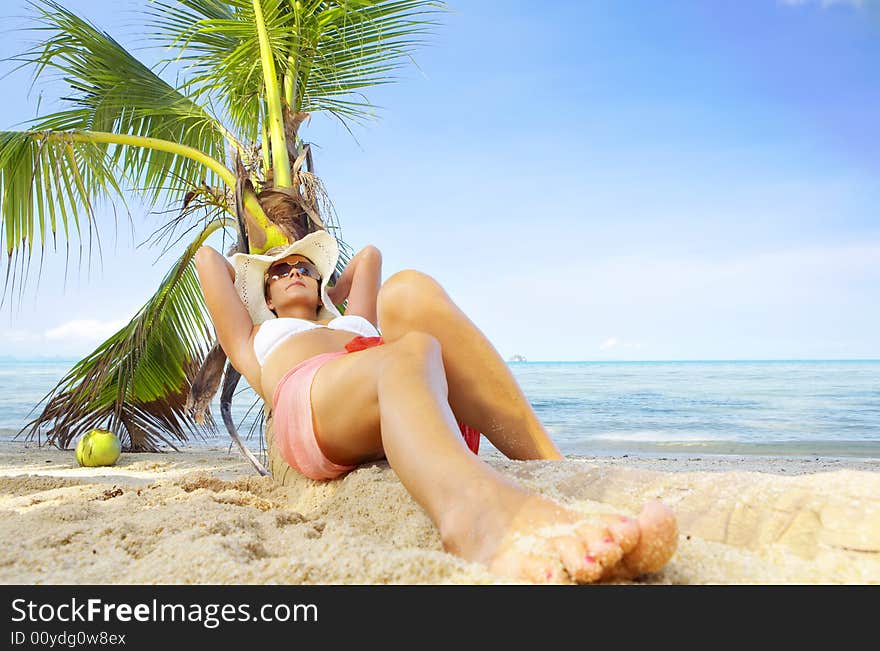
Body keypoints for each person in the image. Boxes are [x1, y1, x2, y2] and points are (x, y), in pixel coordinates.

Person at [194, 230, 678, 583]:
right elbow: (207, 259)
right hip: (314, 404)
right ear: (265, 296)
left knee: (407, 289)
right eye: (280, 272)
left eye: (304, 268)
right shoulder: (254, 335)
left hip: (396, 391)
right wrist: (264, 263)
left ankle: (552, 468)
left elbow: (370, 256)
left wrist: (333, 296)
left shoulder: (353, 321)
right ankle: (477, 519)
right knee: (410, 351)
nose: (294, 272)